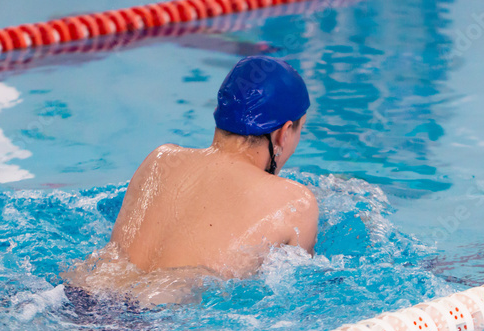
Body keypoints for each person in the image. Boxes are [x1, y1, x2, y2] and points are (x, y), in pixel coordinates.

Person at [62, 55, 319, 306]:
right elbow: (298, 291)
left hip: (76, 299)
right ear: (284, 133)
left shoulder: (160, 159)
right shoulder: (296, 203)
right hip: (154, 327)